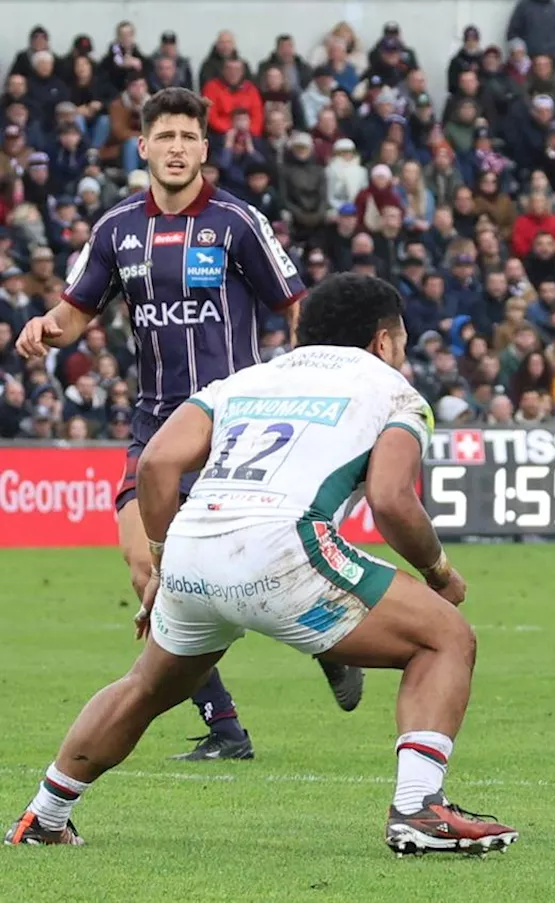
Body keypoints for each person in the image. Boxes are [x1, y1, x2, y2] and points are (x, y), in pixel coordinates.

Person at [3, 273, 518, 854]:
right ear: (382, 342)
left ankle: (43, 816)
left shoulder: (244, 380)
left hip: (195, 544)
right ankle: (419, 809)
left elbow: (155, 465)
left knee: (146, 686)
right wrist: (439, 572)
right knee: (446, 638)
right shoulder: (392, 390)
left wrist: (161, 562)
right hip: (282, 546)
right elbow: (393, 501)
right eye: (399, 341)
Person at [13, 86, 361, 763]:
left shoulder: (237, 223)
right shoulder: (116, 229)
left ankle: (329, 640)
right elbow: (72, 314)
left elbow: (298, 307)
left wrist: (316, 373)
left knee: (265, 563)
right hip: (155, 425)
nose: (176, 148)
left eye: (188, 138)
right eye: (164, 137)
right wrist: (43, 331)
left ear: (205, 148)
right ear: (142, 146)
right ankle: (225, 725)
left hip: (234, 425)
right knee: (147, 565)